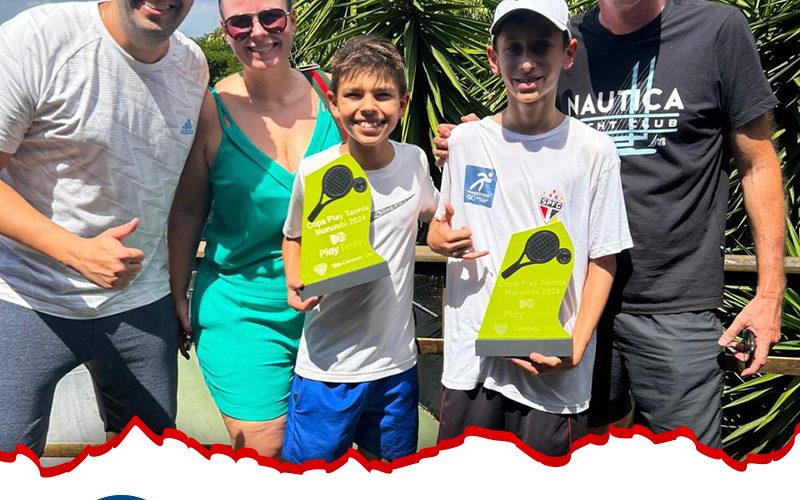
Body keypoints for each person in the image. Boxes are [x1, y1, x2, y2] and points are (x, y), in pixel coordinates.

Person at [554, 0, 785, 447]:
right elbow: (529, 137)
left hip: (678, 307)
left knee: (686, 468)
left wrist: (770, 294)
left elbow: (758, 164)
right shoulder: (563, 41)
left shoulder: (716, 30)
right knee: (582, 460)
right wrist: (476, 139)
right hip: (578, 302)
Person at [0, 0, 207, 456]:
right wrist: (74, 251)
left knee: (147, 463)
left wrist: (177, 290)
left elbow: (183, 197)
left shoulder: (192, 65)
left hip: (142, 305)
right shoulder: (36, 39)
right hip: (26, 300)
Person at [426, 0, 632, 456]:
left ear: (568, 53)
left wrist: (576, 346)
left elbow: (604, 259)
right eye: (513, 48)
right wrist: (438, 240)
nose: (526, 63)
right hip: (472, 367)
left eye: (541, 47)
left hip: (551, 370)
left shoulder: (594, 151)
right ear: (492, 57)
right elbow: (440, 228)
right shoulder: (464, 143)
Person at [167, 0, 342, 458]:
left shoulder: (336, 96)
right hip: (243, 308)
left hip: (336, 308)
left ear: (292, 20)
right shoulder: (210, 110)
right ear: (225, 31)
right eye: (241, 23)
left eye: (271, 17)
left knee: (332, 455)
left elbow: (386, 161)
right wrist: (176, 291)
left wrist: (456, 143)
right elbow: (188, 210)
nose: (258, 32)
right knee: (267, 452)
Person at [281, 35, 439, 463]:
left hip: (396, 369)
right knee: (309, 482)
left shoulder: (415, 161)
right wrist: (293, 278)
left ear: (403, 104)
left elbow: (437, 216)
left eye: (382, 95)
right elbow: (293, 236)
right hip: (326, 369)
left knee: (389, 475)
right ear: (334, 103)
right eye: (354, 95)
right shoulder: (314, 171)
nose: (369, 107)